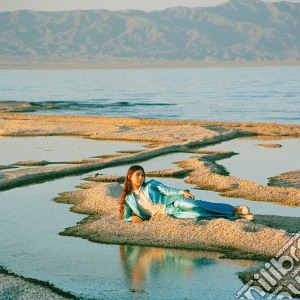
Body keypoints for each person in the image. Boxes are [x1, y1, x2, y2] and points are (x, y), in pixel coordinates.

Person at [119, 165, 254, 223]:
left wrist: (181, 192)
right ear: (130, 177)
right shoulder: (128, 199)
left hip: (173, 201)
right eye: (138, 175)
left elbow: (166, 190)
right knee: (197, 215)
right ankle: (235, 218)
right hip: (167, 212)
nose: (141, 178)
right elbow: (125, 217)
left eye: (142, 175)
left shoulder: (150, 184)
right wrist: (131, 219)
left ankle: (235, 209)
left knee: (196, 205)